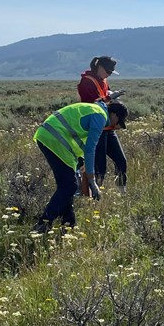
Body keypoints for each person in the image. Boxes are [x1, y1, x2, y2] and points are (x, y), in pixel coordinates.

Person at [33, 101, 129, 233]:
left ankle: (69, 224)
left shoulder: (95, 110)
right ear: (114, 114)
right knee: (69, 186)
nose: (116, 126)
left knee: (67, 185)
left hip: (50, 137)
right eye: (119, 121)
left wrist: (81, 161)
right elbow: (90, 148)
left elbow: (80, 141)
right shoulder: (100, 116)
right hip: (53, 138)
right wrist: (92, 180)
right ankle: (43, 224)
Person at [77, 56, 127, 190]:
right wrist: (110, 97)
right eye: (108, 71)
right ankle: (94, 196)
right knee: (100, 167)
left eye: (111, 72)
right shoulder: (86, 82)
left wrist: (112, 97)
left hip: (108, 127)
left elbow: (105, 98)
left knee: (121, 161)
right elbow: (90, 106)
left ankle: (121, 192)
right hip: (96, 127)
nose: (109, 74)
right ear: (99, 67)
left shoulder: (103, 80)